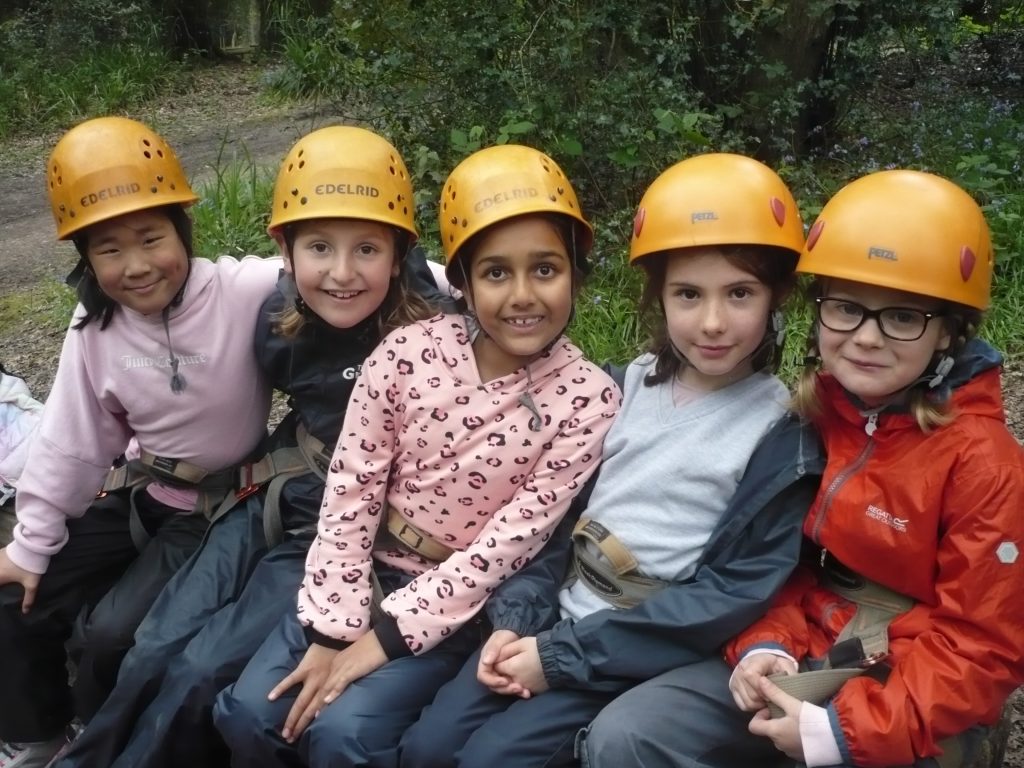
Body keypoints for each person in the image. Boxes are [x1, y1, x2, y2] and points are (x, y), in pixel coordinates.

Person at [582, 169, 1024, 768]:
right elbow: (776, 562)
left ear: (947, 331)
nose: (866, 338)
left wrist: (840, 732)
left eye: (901, 317)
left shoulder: (984, 466)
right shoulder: (814, 417)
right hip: (803, 643)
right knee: (626, 736)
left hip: (908, 678)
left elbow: (983, 644)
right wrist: (767, 646)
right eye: (845, 308)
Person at [400, 152, 826, 768]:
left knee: (492, 759)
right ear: (657, 295)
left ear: (776, 298)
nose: (712, 322)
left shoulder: (779, 436)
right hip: (551, 618)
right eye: (687, 294)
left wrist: (564, 658)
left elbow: (731, 590)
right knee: (426, 747)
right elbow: (549, 520)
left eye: (739, 293)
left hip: (634, 649)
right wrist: (516, 619)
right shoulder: (620, 388)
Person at [50, 125, 448, 768]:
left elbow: (484, 290)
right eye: (319, 247)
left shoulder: (439, 328)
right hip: (271, 494)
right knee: (153, 644)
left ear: (400, 253)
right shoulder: (276, 314)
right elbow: (180, 328)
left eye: (368, 250)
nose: (342, 274)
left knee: (200, 668)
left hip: (335, 528)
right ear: (285, 251)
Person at [212, 144, 621, 768]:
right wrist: (330, 628)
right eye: (494, 273)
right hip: (359, 569)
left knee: (342, 735)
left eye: (545, 269)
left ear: (575, 273)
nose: (521, 295)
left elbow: (505, 547)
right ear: (459, 279)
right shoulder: (409, 352)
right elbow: (353, 488)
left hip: (452, 605)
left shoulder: (587, 401)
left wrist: (381, 639)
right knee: (251, 713)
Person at [0, 116, 281, 768]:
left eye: (151, 238)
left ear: (182, 229)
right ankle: (40, 729)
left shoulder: (240, 291)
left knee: (112, 636)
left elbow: (335, 269)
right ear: (85, 258)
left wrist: (456, 285)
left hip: (217, 509)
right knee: (15, 596)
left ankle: (107, 738)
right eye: (108, 249)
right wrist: (33, 543)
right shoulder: (95, 326)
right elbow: (71, 442)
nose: (135, 266)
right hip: (139, 491)